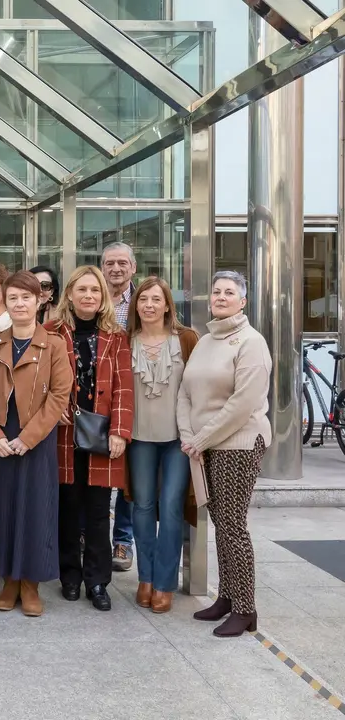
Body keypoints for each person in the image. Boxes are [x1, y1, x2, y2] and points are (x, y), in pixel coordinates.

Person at [178, 271, 272, 637]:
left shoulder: (251, 343)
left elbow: (242, 404)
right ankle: (228, 598)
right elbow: (185, 392)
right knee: (221, 524)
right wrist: (191, 436)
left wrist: (199, 439)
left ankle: (246, 610)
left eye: (229, 292)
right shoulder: (205, 340)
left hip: (238, 443)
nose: (220, 296)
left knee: (233, 527)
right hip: (205, 444)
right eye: (216, 291)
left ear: (243, 301)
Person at [0, 271, 72, 617]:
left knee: (35, 509)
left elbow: (60, 394)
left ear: (40, 301)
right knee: (2, 508)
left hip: (37, 437)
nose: (20, 304)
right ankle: (8, 580)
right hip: (2, 436)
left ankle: (31, 583)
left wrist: (29, 437)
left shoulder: (54, 344)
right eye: (14, 298)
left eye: (26, 298)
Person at [47, 266, 133, 612]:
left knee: (99, 511)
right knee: (67, 506)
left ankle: (98, 581)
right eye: (82, 290)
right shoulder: (51, 331)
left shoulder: (117, 336)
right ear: (69, 294)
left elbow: (125, 388)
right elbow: (42, 382)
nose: (88, 296)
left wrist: (120, 432)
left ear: (103, 298)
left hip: (101, 434)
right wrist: (55, 409)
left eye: (95, 291)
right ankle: (69, 576)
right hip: (64, 433)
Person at [128, 277, 199, 614]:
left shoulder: (186, 339)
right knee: (141, 507)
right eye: (144, 299)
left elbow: (200, 389)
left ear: (168, 305)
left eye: (157, 299)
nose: (150, 305)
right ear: (135, 304)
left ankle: (165, 582)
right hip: (138, 438)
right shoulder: (125, 340)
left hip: (178, 440)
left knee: (171, 508)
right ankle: (145, 576)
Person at [100, 242, 138, 572]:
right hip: (96, 399)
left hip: (132, 394)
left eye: (122, 262)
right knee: (96, 473)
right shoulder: (94, 299)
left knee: (127, 477)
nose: (116, 268)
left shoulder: (144, 301)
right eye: (110, 263)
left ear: (133, 268)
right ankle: (91, 536)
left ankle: (123, 542)